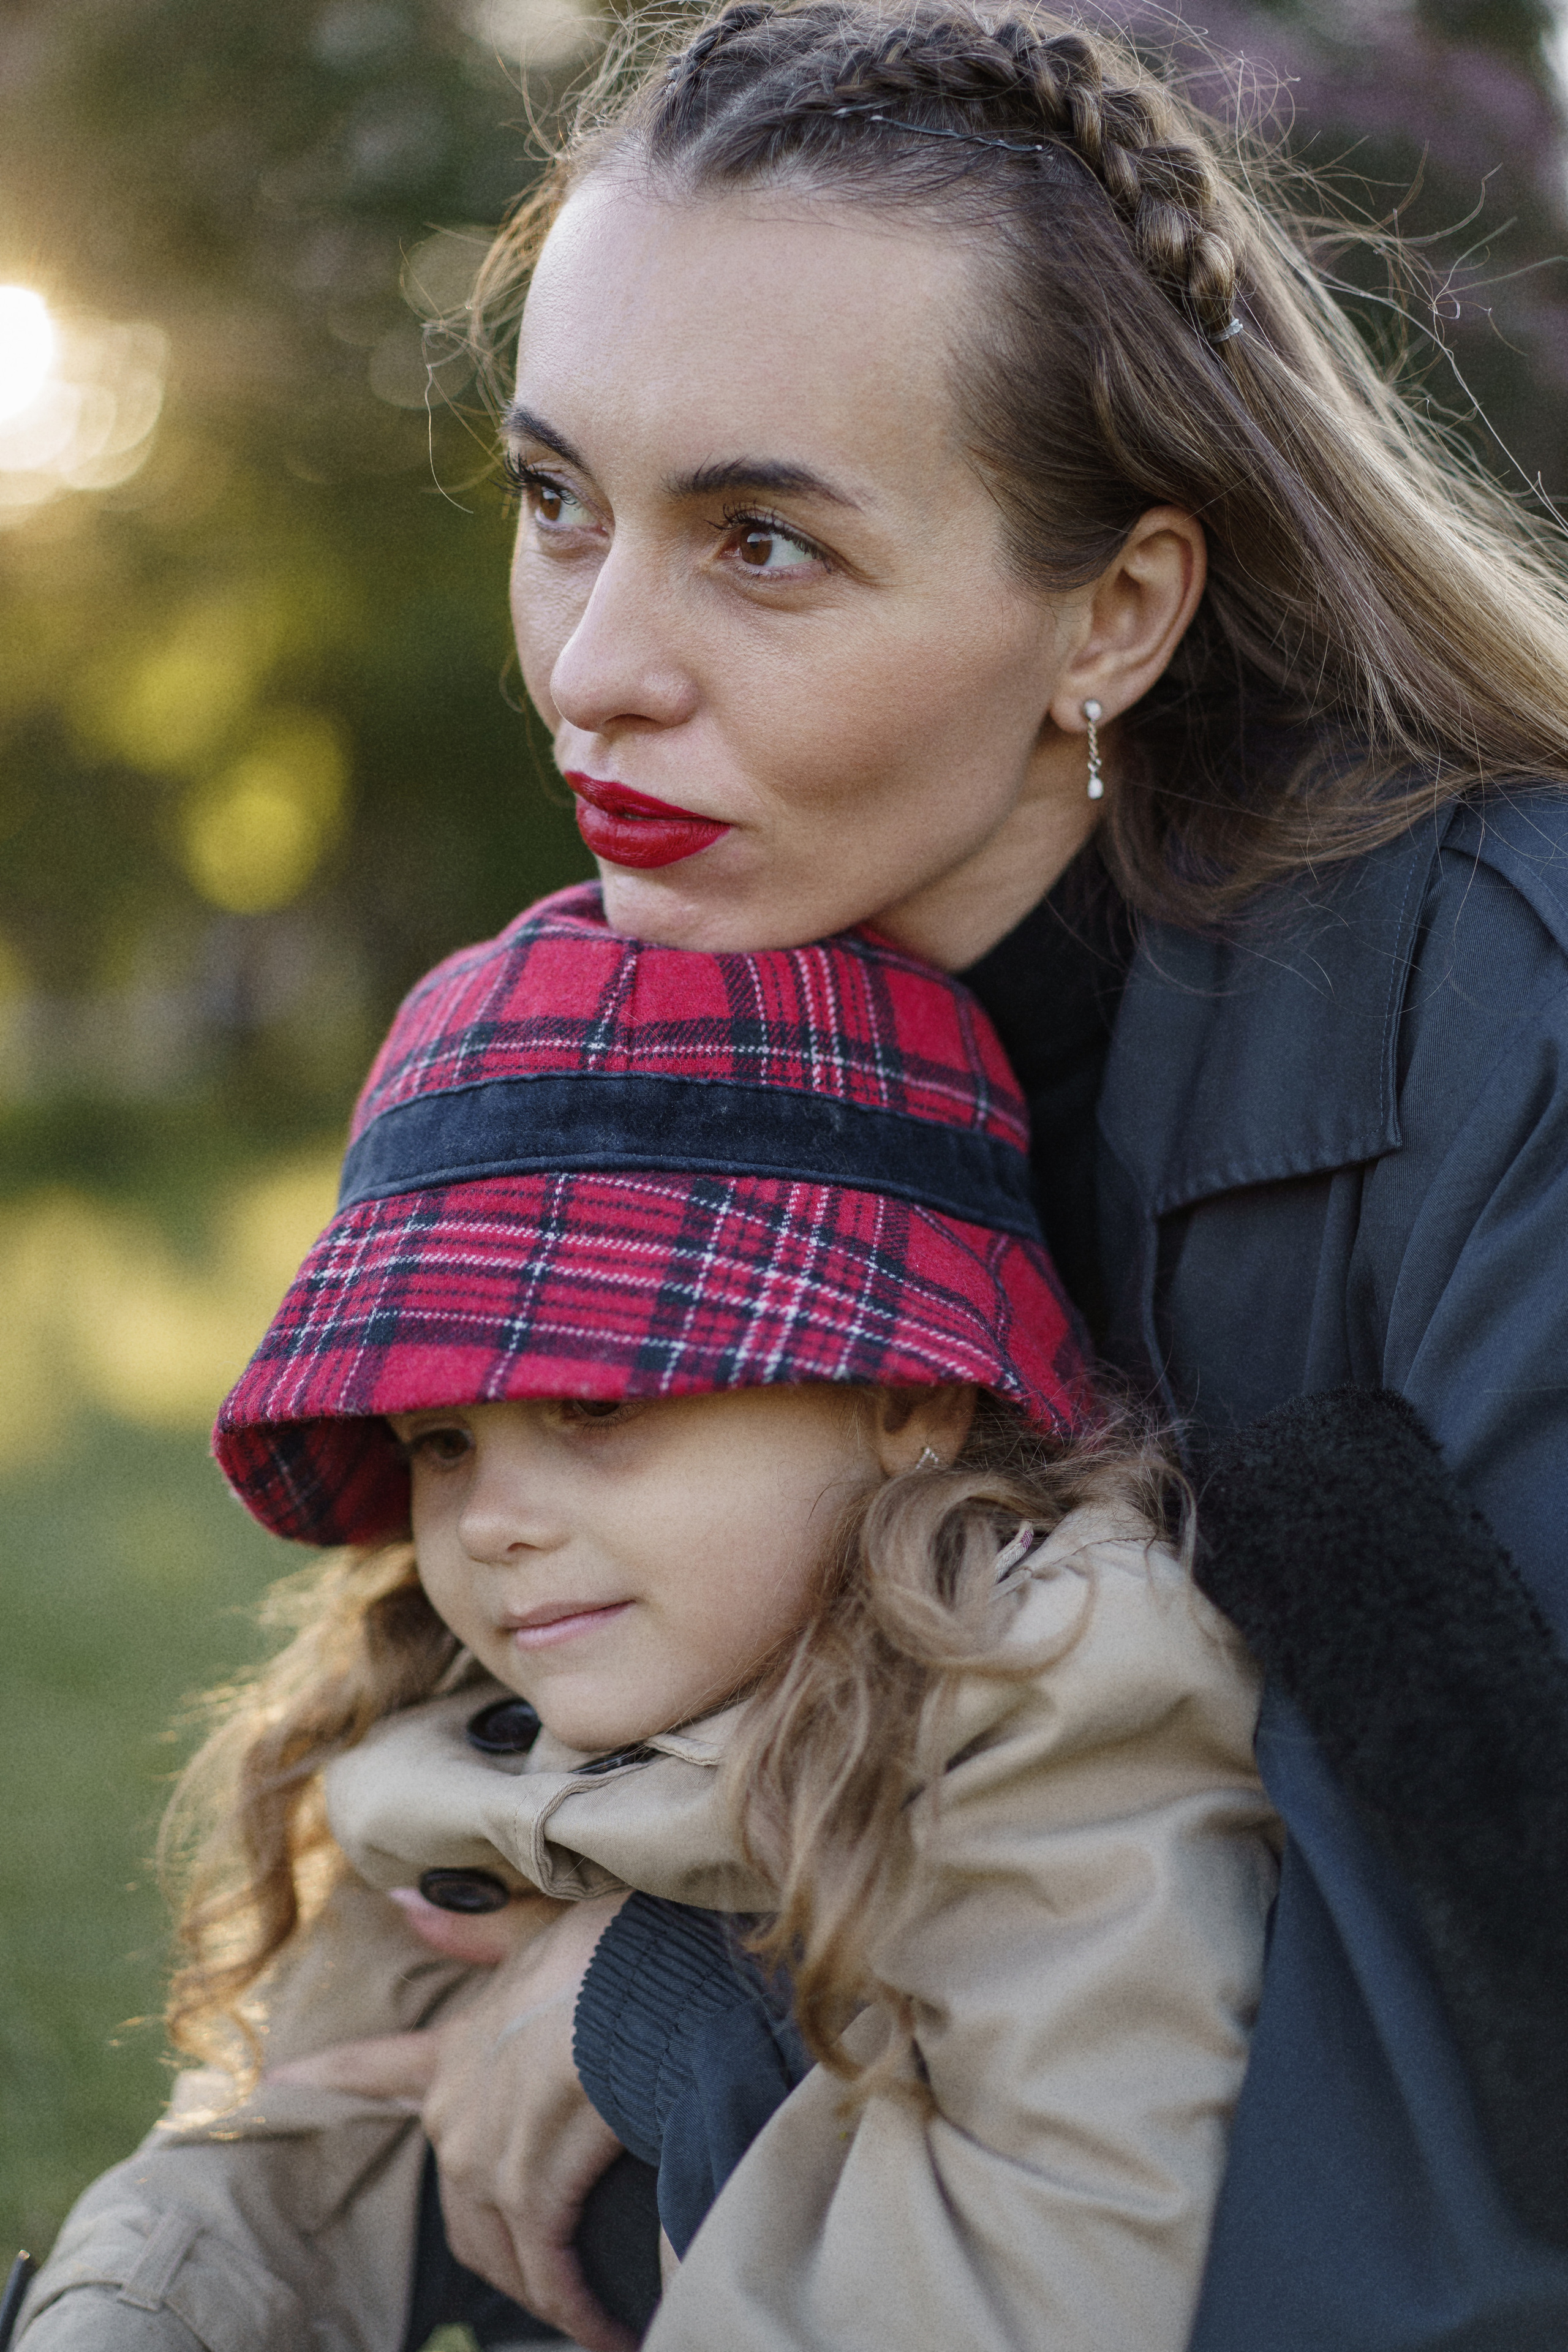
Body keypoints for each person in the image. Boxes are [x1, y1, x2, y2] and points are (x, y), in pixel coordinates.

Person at [270, 4, 1568, 2346]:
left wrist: (661, 2008)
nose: (594, 672)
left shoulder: (1517, 1042)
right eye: (557, 502)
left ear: (1115, 617)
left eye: (760, 543)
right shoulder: (680, 1020)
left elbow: (1491, 2133)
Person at [13, 892, 1280, 2352]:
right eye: (439, 1440)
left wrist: (650, 2019)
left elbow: (1061, 2276)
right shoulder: (464, 1739)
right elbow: (303, 2147)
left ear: (904, 1395)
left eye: (598, 1403)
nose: (492, 1519)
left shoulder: (1050, 1703)